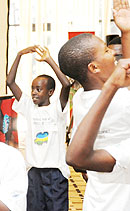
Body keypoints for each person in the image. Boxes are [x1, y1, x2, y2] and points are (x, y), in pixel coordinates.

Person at [58, 0, 130, 210]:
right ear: (94, 67)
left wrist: (125, 32)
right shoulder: (118, 100)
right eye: (107, 51)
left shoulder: (82, 96)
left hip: (97, 198)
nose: (113, 53)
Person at [7, 45, 71, 211]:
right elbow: (10, 81)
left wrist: (48, 59)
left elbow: (66, 85)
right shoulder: (29, 107)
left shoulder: (58, 109)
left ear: (50, 92)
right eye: (32, 89)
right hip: (34, 172)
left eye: (38, 89)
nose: (33, 93)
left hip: (55, 173)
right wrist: (19, 53)